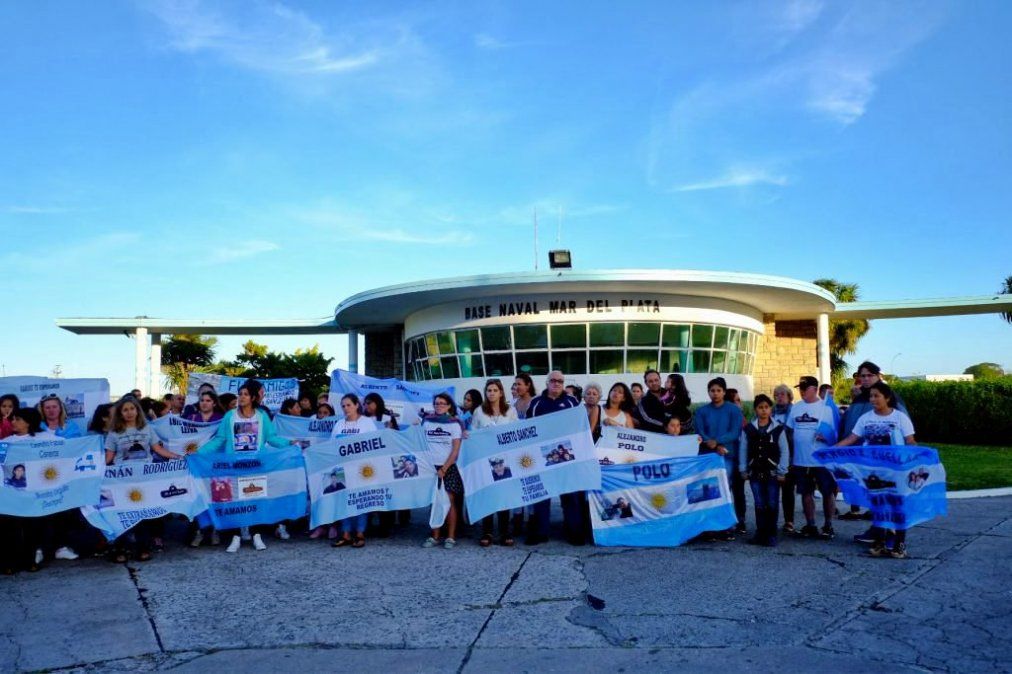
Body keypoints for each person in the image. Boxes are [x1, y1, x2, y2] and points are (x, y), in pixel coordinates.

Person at [199, 380, 296, 553]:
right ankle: (235, 537)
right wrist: (199, 453)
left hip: (255, 466)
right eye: (240, 394)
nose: (241, 397)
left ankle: (256, 536)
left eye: (245, 394)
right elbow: (220, 440)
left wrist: (289, 443)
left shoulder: (261, 416)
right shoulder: (230, 416)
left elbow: (272, 438)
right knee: (235, 501)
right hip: (234, 467)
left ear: (252, 398)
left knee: (255, 499)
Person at [835, 380, 917, 559]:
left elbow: (910, 440)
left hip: (895, 471)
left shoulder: (899, 417)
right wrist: (833, 450)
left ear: (887, 398)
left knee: (896, 506)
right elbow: (851, 439)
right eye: (871, 396)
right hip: (872, 471)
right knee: (878, 505)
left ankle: (899, 544)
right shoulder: (865, 418)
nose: (872, 399)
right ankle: (879, 542)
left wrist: (915, 457)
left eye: (876, 396)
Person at [104, 396, 181, 562]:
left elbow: (157, 449)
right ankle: (120, 548)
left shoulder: (147, 428)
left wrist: (178, 457)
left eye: (132, 409)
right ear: (120, 413)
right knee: (124, 513)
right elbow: (109, 457)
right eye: (125, 410)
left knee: (143, 513)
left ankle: (142, 547)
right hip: (122, 480)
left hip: (145, 478)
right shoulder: (113, 433)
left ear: (137, 410)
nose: (129, 412)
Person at [842, 361, 909, 528]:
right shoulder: (859, 398)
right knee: (873, 494)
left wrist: (905, 453)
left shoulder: (889, 396)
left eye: (869, 375)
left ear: (878, 376)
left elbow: (904, 429)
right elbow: (853, 432)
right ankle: (878, 530)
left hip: (886, 458)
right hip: (862, 456)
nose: (865, 379)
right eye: (862, 376)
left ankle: (890, 533)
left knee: (885, 494)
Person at [527, 371, 583, 546]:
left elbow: (579, 427)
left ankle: (573, 531)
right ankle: (540, 532)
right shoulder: (536, 402)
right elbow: (528, 429)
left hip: (567, 455)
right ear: (547, 382)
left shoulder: (572, 401)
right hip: (543, 456)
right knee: (542, 494)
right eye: (553, 380)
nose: (557, 383)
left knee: (570, 494)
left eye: (560, 381)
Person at [787, 376, 840, 540]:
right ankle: (810, 525)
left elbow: (836, 434)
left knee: (827, 492)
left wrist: (827, 437)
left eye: (805, 388)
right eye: (800, 388)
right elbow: (789, 430)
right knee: (805, 493)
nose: (802, 391)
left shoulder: (827, 409)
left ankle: (828, 525)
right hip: (801, 460)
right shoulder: (796, 407)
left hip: (821, 460)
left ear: (815, 389)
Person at [694, 377, 746, 539]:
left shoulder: (734, 410)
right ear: (708, 392)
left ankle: (725, 525)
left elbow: (734, 432)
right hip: (707, 457)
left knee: (724, 489)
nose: (715, 393)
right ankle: (709, 526)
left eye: (718, 390)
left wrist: (717, 441)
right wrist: (711, 444)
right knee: (708, 491)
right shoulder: (702, 411)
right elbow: (699, 431)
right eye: (712, 390)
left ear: (724, 392)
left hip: (727, 456)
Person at [0, 407, 50, 573]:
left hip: (35, 494)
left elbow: (65, 451)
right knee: (9, 528)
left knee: (33, 527)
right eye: (13, 419)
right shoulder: (6, 443)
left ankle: (29, 560)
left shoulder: (45, 439)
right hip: (11, 494)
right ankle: (9, 563)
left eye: (17, 419)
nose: (13, 422)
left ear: (28, 422)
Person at [471, 378, 519, 546]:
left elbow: (516, 432)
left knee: (503, 495)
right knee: (488, 495)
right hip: (485, 459)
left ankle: (505, 532)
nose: (491, 393)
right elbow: (473, 434)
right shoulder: (479, 411)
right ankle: (487, 532)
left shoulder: (510, 411)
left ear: (501, 392)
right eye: (489, 390)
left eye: (495, 390)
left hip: (505, 459)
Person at [328, 394, 379, 548]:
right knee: (343, 500)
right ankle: (345, 533)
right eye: (343, 406)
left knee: (361, 500)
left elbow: (374, 444)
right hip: (342, 469)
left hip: (362, 469)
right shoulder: (339, 424)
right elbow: (331, 446)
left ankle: (360, 533)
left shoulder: (367, 423)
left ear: (357, 405)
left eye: (349, 405)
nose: (346, 408)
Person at [739, 395, 789, 546]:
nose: (763, 410)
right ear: (755, 410)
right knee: (759, 503)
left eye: (766, 407)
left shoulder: (778, 429)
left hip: (773, 473)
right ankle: (760, 533)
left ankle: (771, 534)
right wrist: (743, 469)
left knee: (772, 503)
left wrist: (782, 470)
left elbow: (784, 450)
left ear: (770, 409)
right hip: (755, 472)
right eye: (760, 407)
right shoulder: (748, 429)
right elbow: (743, 449)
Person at [421, 393, 464, 549]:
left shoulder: (455, 424)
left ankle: (451, 537)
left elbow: (455, 450)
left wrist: (444, 468)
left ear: (449, 406)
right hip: (431, 468)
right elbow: (421, 444)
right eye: (437, 403)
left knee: (449, 501)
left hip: (448, 467)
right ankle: (435, 535)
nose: (439, 406)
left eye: (442, 403)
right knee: (435, 502)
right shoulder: (427, 422)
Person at [771, 384, 797, 533]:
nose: (779, 397)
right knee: (772, 491)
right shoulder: (771, 411)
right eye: (777, 395)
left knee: (788, 490)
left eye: (782, 394)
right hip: (773, 455)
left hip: (790, 455)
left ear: (789, 396)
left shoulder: (794, 411)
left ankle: (789, 521)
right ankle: (772, 521)